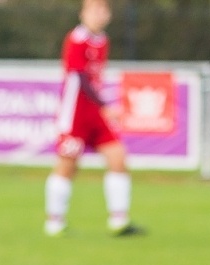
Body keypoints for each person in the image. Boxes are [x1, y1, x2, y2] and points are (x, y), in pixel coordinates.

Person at [44, 0, 143, 237]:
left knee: (118, 158)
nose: (99, 15)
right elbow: (79, 77)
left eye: (103, 11)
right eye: (93, 10)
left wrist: (103, 106)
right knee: (67, 166)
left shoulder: (102, 41)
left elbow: (96, 79)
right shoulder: (76, 39)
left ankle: (119, 220)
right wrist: (105, 106)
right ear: (83, 14)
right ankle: (54, 222)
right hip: (75, 115)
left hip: (96, 115)